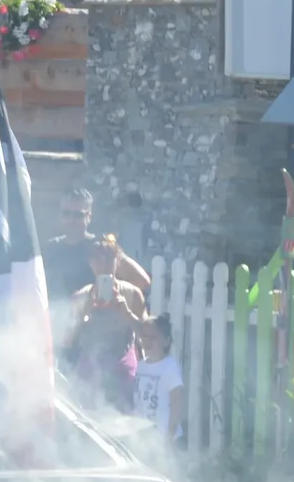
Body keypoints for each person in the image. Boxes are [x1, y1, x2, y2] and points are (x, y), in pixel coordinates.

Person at [71, 235, 149, 411]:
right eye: (97, 258)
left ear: (118, 261)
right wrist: (83, 315)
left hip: (123, 371)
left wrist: (126, 312)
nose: (103, 263)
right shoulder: (81, 297)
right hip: (91, 371)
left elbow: (149, 337)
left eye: (109, 257)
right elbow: (67, 340)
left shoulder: (132, 294)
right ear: (90, 262)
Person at [41, 187, 151, 303]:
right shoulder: (50, 248)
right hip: (58, 317)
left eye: (78, 215)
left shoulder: (101, 248)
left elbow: (142, 281)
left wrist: (113, 293)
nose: (71, 219)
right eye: (66, 213)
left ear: (89, 217)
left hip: (95, 316)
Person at [132, 312, 186, 440]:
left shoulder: (170, 367)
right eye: (145, 337)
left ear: (166, 341)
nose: (147, 341)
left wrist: (169, 436)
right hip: (146, 438)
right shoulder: (140, 366)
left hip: (167, 437)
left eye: (154, 337)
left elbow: (176, 404)